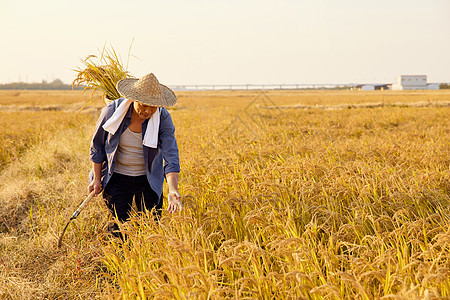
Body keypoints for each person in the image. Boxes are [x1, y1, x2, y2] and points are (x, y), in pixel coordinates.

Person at [87, 73, 182, 235]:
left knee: (150, 227)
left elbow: (171, 155)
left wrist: (173, 189)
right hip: (116, 177)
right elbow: (98, 147)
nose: (147, 110)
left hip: (148, 179)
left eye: (153, 106)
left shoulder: (162, 117)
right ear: (133, 99)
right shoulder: (112, 112)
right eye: (143, 105)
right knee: (118, 228)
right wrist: (96, 179)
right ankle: (119, 258)